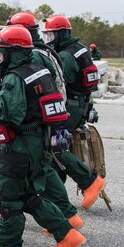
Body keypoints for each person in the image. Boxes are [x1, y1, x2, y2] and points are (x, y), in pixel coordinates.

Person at [0, 25, 85, 247]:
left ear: (14, 51)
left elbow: (6, 114)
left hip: (22, 147)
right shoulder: (39, 70)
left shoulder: (16, 77)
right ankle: (67, 234)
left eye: (2, 52)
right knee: (28, 196)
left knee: (8, 197)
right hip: (39, 144)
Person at [41, 15, 106, 206]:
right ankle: (56, 198)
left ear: (62, 34)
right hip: (81, 104)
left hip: (69, 106)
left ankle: (89, 181)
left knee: (54, 146)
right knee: (58, 148)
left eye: (51, 35)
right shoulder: (80, 49)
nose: (49, 40)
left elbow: (59, 84)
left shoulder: (66, 55)